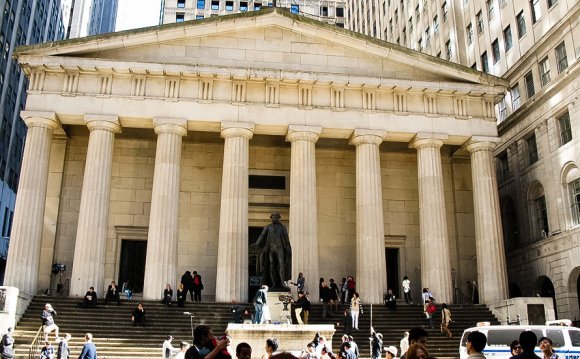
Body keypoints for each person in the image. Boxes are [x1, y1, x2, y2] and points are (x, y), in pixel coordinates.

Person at [252, 212, 292, 290]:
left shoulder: (282, 227)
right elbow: (262, 235)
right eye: (273, 216)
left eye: (276, 216)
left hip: (280, 248)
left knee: (281, 265)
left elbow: (286, 239)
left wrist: (288, 248)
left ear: (278, 218)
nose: (274, 218)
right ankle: (273, 284)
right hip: (270, 249)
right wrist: (257, 244)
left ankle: (282, 282)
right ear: (271, 218)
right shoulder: (268, 227)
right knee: (271, 265)